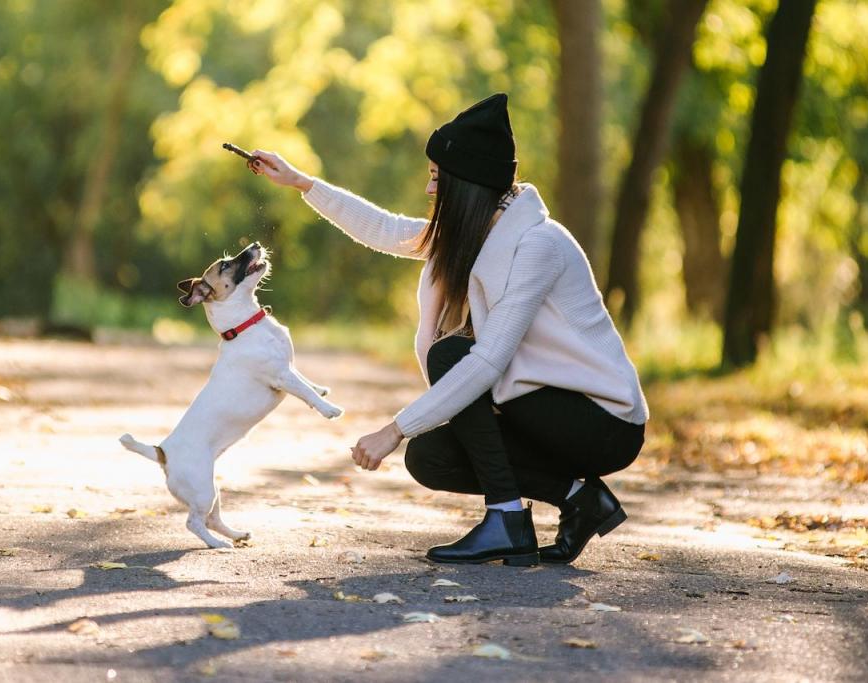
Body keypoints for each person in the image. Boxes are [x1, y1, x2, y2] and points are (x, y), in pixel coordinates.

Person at [248, 93, 648, 567]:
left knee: (451, 357)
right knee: (431, 456)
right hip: (542, 404)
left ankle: (506, 520)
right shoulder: (479, 236)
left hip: (602, 421)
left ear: (468, 184)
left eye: (438, 179)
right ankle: (578, 498)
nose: (429, 190)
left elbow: (488, 360)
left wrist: (394, 430)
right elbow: (384, 228)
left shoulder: (538, 245)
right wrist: (300, 182)